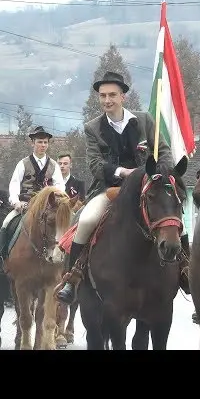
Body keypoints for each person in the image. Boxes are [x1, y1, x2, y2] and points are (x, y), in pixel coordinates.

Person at [56, 71, 180, 305]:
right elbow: (94, 164)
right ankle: (72, 279)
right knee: (85, 220)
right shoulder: (92, 128)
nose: (107, 100)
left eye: (112, 94)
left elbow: (163, 152)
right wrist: (124, 172)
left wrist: (158, 173)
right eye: (102, 96)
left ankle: (184, 270)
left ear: (123, 96)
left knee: (171, 214)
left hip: (148, 187)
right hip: (110, 189)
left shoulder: (145, 120)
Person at [0, 125, 66, 270]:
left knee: (64, 222)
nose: (43, 145)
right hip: (26, 204)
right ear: (33, 143)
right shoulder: (23, 163)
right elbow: (14, 184)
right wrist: (15, 201)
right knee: (6, 222)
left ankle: (67, 255)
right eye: (40, 142)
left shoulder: (54, 165)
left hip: (47, 206)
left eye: (45, 142)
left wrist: (58, 202)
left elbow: (60, 186)